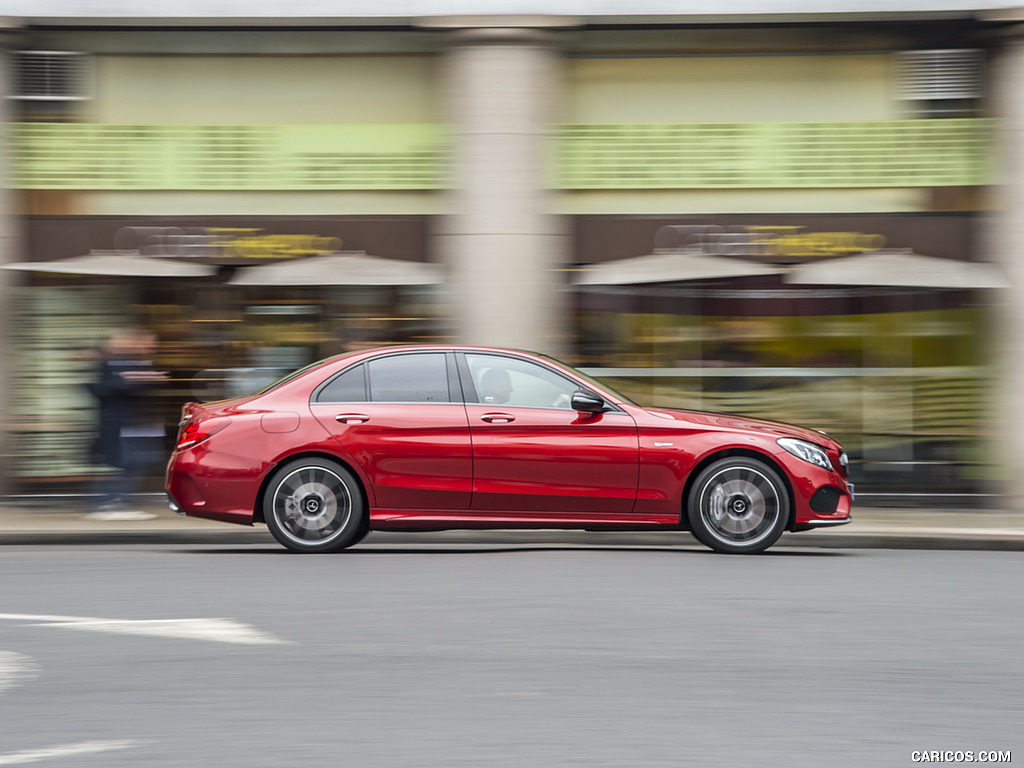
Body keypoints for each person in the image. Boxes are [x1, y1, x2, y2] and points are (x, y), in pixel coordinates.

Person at [84, 329, 169, 521]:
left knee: (132, 464)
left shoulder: (134, 362)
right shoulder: (112, 363)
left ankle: (115, 502)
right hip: (121, 423)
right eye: (148, 342)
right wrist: (133, 379)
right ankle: (109, 502)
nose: (151, 347)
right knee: (126, 464)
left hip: (137, 423)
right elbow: (102, 388)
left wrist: (144, 379)